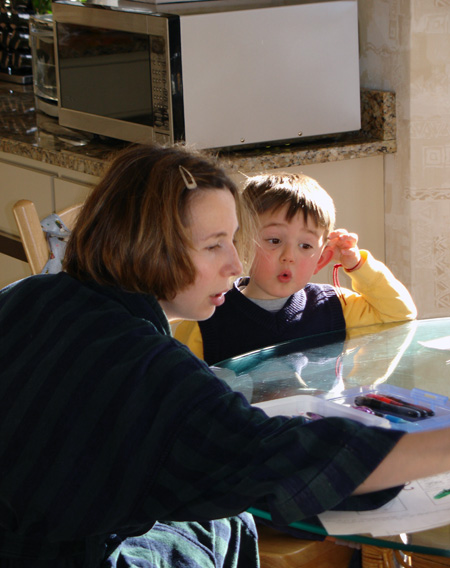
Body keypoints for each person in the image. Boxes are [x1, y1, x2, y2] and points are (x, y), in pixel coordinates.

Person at [0, 144, 445, 568]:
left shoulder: (30, 294)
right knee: (223, 523)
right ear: (151, 247)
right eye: (214, 245)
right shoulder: (151, 370)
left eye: (234, 240)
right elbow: (278, 461)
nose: (236, 265)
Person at [175, 172, 417, 365]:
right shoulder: (205, 317)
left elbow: (399, 316)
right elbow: (181, 389)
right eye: (274, 240)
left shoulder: (336, 307)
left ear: (321, 260)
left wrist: (359, 267)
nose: (289, 257)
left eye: (305, 246)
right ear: (240, 244)